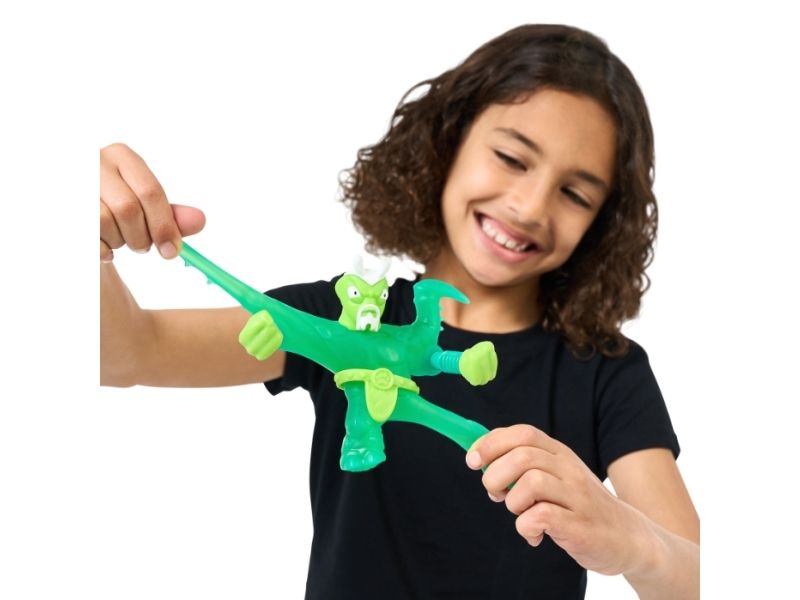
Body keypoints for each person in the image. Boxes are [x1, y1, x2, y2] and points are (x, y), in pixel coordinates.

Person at [100, 23, 699, 599]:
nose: (529, 206)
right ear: (449, 141)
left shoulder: (607, 373)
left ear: (602, 224)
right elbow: (126, 352)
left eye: (574, 193)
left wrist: (635, 542)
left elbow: (699, 578)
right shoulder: (338, 318)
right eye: (512, 158)